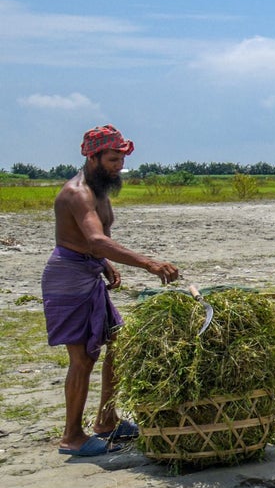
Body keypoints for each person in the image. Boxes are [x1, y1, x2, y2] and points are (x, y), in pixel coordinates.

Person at [47, 125, 181, 456]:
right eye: (112, 158)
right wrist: (148, 263)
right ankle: (71, 437)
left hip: (89, 272)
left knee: (118, 343)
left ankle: (107, 421)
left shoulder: (100, 189)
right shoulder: (78, 193)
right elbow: (94, 239)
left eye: (121, 159)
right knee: (82, 358)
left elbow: (89, 240)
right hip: (68, 278)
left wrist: (105, 263)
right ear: (92, 157)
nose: (119, 165)